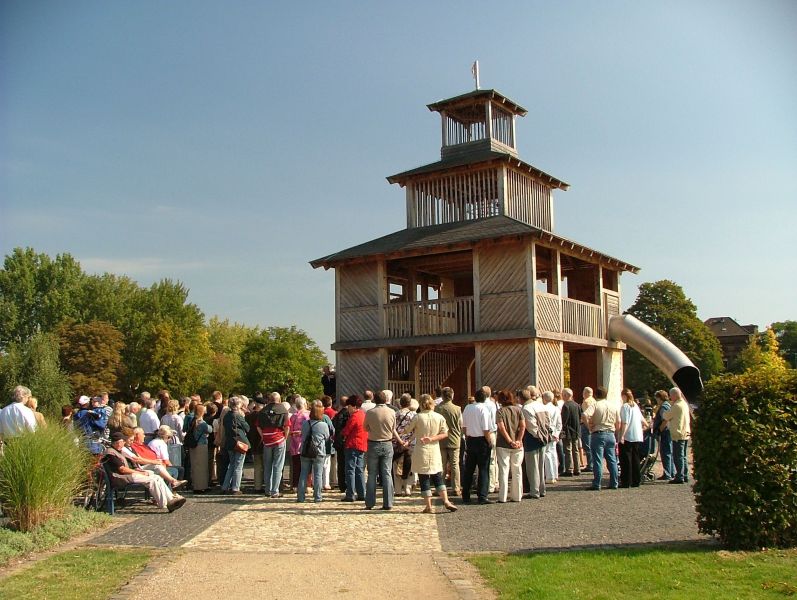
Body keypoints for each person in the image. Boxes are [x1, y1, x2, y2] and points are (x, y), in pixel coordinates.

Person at [103, 432, 186, 512]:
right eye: (123, 441)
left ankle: (171, 498)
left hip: (128, 475)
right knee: (151, 480)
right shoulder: (111, 453)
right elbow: (122, 469)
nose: (124, 443)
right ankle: (164, 504)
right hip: (120, 477)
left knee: (156, 477)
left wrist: (138, 470)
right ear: (118, 442)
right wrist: (140, 473)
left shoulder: (118, 450)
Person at [403, 394, 457, 513]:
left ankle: (428, 506)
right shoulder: (439, 417)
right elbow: (445, 433)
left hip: (421, 450)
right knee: (437, 477)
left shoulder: (417, 417)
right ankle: (446, 500)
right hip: (434, 449)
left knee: (424, 478)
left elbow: (408, 430)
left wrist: (406, 439)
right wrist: (432, 438)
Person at [363, 390, 401, 510]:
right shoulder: (392, 412)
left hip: (373, 443)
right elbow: (393, 427)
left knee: (372, 474)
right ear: (386, 400)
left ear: (374, 399)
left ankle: (370, 502)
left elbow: (365, 427)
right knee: (387, 473)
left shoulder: (370, 412)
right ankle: (388, 502)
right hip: (387, 443)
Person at [461, 387, 495, 504]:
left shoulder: (467, 408)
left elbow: (464, 427)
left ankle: (466, 494)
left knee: (469, 469)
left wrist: (468, 436)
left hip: (470, 439)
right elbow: (486, 429)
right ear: (485, 398)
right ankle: (482, 495)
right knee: (483, 469)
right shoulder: (484, 409)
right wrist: (489, 441)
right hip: (481, 440)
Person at [296, 401, 331, 503]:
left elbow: (302, 435)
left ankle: (301, 497)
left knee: (303, 474)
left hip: (305, 451)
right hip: (319, 452)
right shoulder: (323, 425)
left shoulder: (305, 424)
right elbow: (327, 437)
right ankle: (317, 497)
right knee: (318, 474)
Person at [495, 389, 525, 503]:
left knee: (504, 470)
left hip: (503, 444)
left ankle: (502, 497)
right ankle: (517, 496)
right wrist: (518, 440)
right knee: (517, 470)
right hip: (518, 445)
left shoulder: (500, 411)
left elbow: (501, 428)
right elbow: (523, 426)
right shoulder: (519, 410)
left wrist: (509, 440)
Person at [588, 386, 621, 491]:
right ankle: (614, 482)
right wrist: (615, 429)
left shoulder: (595, 405)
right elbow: (618, 421)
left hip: (598, 433)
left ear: (596, 395)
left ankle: (597, 483)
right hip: (610, 433)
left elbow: (585, 415)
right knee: (612, 460)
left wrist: (589, 426)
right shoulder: (613, 406)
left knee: (598, 460)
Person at [258, 392, 290, 498]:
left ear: (269, 399)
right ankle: (275, 490)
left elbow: (258, 426)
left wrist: (263, 436)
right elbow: (287, 426)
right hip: (279, 439)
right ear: (279, 399)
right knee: (278, 465)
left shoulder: (263, 411)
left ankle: (267, 489)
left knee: (267, 465)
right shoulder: (283, 410)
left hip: (267, 440)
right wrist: (285, 437)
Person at [522, 388, 550, 499]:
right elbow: (548, 420)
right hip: (543, 437)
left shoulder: (527, 408)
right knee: (540, 465)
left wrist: (537, 435)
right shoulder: (540, 405)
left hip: (533, 438)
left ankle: (534, 490)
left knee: (532, 467)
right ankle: (542, 489)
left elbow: (531, 426)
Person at [435, 387, 463, 497]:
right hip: (455, 438)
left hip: (441, 438)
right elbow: (461, 424)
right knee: (455, 464)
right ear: (452, 395)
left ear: (442, 396)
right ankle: (456, 487)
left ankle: (440, 488)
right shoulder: (457, 409)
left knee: (441, 465)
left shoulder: (437, 408)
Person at [618, 388, 647, 488]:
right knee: (635, 458)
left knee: (626, 460)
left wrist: (621, 435)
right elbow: (642, 419)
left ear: (624, 396)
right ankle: (636, 480)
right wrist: (646, 425)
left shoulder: (625, 406)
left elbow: (625, 422)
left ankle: (626, 481)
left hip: (628, 435)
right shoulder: (635, 406)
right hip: (637, 435)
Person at [221, 396, 250, 495]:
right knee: (238, 465)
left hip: (229, 442)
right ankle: (235, 488)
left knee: (231, 465)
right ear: (238, 405)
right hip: (239, 442)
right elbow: (247, 428)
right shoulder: (238, 415)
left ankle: (225, 486)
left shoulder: (226, 416)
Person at [340, 395, 367, 502]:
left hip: (352, 444)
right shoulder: (363, 415)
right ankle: (361, 493)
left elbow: (346, 431)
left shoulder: (354, 416)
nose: (348, 408)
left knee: (350, 470)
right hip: (362, 444)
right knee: (360, 469)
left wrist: (340, 434)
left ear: (354, 406)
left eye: (349, 406)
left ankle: (350, 494)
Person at [663, 387, 692, 484]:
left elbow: (666, 416)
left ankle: (680, 476)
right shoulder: (684, 404)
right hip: (685, 432)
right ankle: (685, 474)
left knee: (678, 456)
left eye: (671, 395)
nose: (670, 397)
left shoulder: (676, 406)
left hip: (678, 433)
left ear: (675, 395)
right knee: (683, 455)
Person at [186, 404, 213, 493]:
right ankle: (200, 486)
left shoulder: (192, 420)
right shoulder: (201, 423)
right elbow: (210, 429)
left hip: (192, 445)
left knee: (194, 465)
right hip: (201, 445)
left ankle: (196, 485)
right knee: (201, 466)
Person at [393, 394, 416, 497]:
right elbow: (416, 430)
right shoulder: (414, 415)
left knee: (396, 465)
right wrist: (409, 440)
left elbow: (392, 429)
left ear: (400, 403)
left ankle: (397, 489)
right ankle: (407, 488)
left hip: (397, 443)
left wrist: (399, 440)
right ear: (409, 403)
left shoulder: (395, 414)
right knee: (410, 466)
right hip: (410, 443)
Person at [288, 397, 310, 492]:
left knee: (296, 466)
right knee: (306, 465)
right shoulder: (307, 415)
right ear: (304, 404)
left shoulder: (293, 416)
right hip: (304, 443)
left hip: (294, 443)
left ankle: (295, 486)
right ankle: (307, 485)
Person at [652, 390, 674, 480]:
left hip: (665, 432)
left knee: (665, 452)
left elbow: (665, 419)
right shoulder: (668, 405)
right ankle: (671, 472)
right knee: (669, 452)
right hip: (668, 431)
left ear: (659, 398)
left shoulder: (664, 406)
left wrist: (659, 430)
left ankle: (667, 473)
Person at [559, 388, 582, 476]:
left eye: (563, 394)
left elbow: (564, 420)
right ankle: (577, 469)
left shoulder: (566, 406)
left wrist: (562, 430)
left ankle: (569, 469)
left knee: (568, 450)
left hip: (568, 431)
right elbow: (580, 417)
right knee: (575, 449)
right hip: (576, 430)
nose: (562, 396)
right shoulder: (577, 405)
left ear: (566, 395)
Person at [247, 394, 266, 493]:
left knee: (257, 466)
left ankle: (257, 486)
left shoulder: (249, 416)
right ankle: (266, 484)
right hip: (262, 442)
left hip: (253, 442)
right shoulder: (263, 415)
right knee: (265, 465)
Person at [542, 391, 561, 483]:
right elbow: (559, 423)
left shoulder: (544, 408)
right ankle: (555, 474)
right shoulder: (556, 409)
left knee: (547, 454)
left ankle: (550, 476)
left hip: (547, 433)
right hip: (554, 432)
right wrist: (557, 433)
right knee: (553, 453)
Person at [160, 399, 185, 469]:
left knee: (170, 463)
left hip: (166, 442)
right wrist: (183, 440)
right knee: (177, 464)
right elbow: (181, 432)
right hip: (176, 442)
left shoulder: (164, 417)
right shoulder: (178, 418)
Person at [579, 387, 595, 472]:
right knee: (591, 445)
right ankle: (592, 464)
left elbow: (585, 415)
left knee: (587, 445)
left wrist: (587, 426)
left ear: (585, 393)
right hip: (593, 425)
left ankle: (590, 465)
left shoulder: (586, 402)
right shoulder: (594, 401)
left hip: (586, 425)